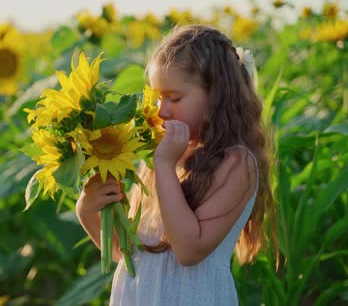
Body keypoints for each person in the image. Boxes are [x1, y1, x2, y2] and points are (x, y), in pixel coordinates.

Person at [75, 24, 278, 305]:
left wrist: (165, 167)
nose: (161, 110)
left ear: (216, 95)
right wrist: (86, 211)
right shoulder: (164, 154)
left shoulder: (236, 164)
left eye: (174, 97)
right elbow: (133, 255)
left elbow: (188, 250)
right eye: (158, 96)